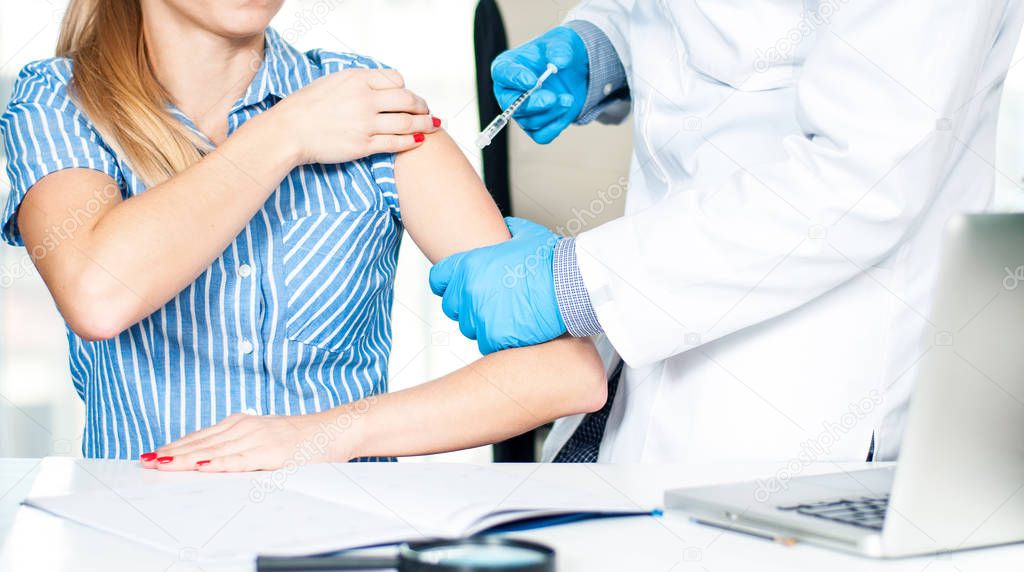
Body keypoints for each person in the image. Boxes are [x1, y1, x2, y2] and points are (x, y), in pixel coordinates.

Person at [0, 0, 606, 471]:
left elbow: (565, 373)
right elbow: (98, 295)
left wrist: (330, 433)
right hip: (143, 540)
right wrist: (285, 132)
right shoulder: (59, 101)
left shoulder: (367, 104)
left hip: (346, 537)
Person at [429, 1, 1024, 463]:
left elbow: (868, 175)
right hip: (658, 340)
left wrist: (577, 282)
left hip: (809, 372)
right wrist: (603, 45)